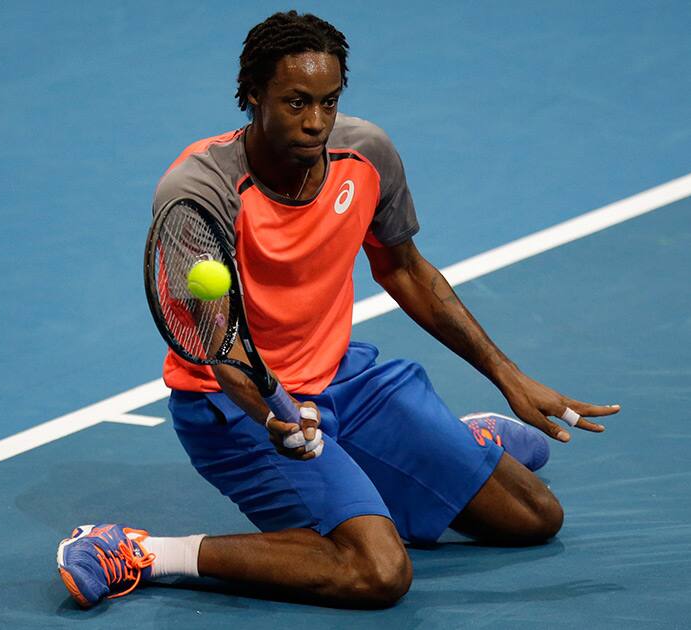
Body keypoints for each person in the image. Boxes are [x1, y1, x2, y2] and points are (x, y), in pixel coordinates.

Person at [56, 10, 620, 609]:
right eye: (296, 103)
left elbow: (405, 270)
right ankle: (142, 551)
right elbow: (222, 352)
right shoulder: (198, 193)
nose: (316, 123)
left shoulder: (366, 154)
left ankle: (462, 438)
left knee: (534, 517)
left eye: (329, 103)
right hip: (233, 405)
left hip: (345, 377)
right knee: (378, 572)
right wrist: (276, 414)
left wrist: (509, 376)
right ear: (251, 96)